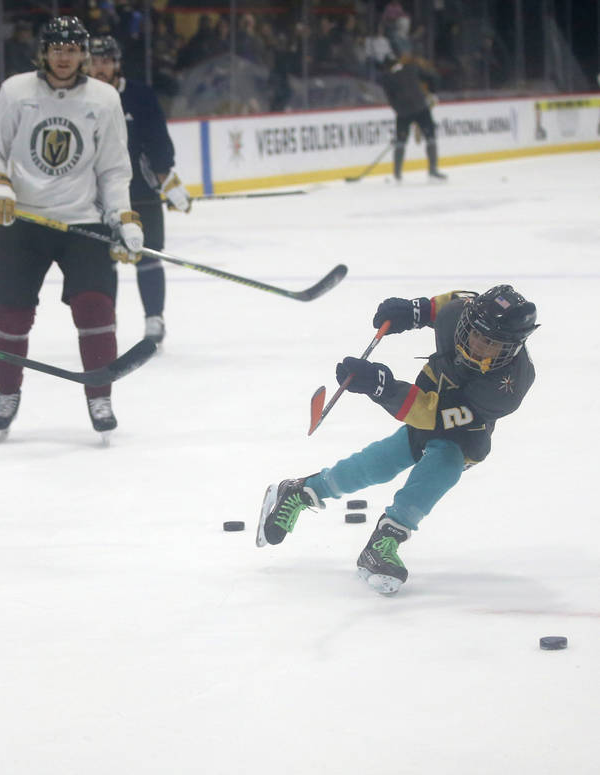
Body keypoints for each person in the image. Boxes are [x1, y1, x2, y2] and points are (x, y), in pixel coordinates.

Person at [256, 286, 538, 595]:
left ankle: (386, 538)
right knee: (378, 464)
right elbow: (445, 306)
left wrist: (382, 388)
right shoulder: (460, 314)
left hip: (462, 432)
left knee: (445, 461)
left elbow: (432, 415)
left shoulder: (506, 387)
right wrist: (414, 311)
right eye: (478, 336)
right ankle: (301, 491)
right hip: (429, 402)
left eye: (493, 345)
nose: (481, 347)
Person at [0, 16, 142, 443]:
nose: (63, 56)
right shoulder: (16, 91)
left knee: (96, 309)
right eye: (56, 48)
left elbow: (114, 169)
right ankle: (6, 394)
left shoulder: (103, 98)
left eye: (71, 49)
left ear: (83, 54)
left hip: (82, 220)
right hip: (24, 219)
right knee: (11, 315)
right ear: (43, 52)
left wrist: (122, 215)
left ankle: (99, 395)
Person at [88, 35, 190, 346]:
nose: (100, 67)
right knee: (102, 262)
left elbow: (158, 142)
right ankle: (107, 322)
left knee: (148, 256)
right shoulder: (80, 97)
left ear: (116, 63)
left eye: (106, 61)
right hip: (96, 198)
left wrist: (167, 180)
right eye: (94, 61)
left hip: (141, 192)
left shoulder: (140, 95)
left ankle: (154, 320)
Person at [378, 51, 445, 181]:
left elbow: (390, 98)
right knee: (430, 137)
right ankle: (433, 170)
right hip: (421, 108)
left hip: (403, 112)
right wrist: (432, 92)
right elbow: (433, 77)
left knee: (400, 142)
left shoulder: (387, 77)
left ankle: (397, 174)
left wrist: (399, 110)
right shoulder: (411, 68)